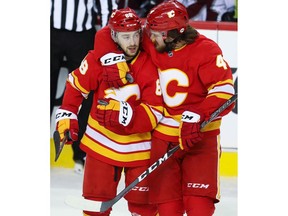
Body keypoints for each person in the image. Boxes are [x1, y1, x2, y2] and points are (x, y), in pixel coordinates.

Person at [93, 0, 235, 215]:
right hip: (163, 138)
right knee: (168, 207)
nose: (148, 36)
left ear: (172, 34)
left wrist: (198, 115)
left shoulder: (206, 50)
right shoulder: (154, 41)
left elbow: (225, 91)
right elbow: (106, 33)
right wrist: (111, 58)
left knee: (199, 206)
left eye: (156, 32)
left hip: (201, 137)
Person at [54, 7, 163, 216]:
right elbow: (76, 86)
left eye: (135, 35)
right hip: (100, 146)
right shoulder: (98, 59)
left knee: (145, 209)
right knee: (94, 208)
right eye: (125, 37)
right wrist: (67, 114)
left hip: (139, 150)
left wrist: (126, 114)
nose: (132, 42)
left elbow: (155, 111)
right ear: (114, 36)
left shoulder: (149, 63)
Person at [50, 0, 97, 173]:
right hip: (51, 30)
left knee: (84, 93)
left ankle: (80, 154)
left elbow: (107, 7)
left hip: (82, 34)